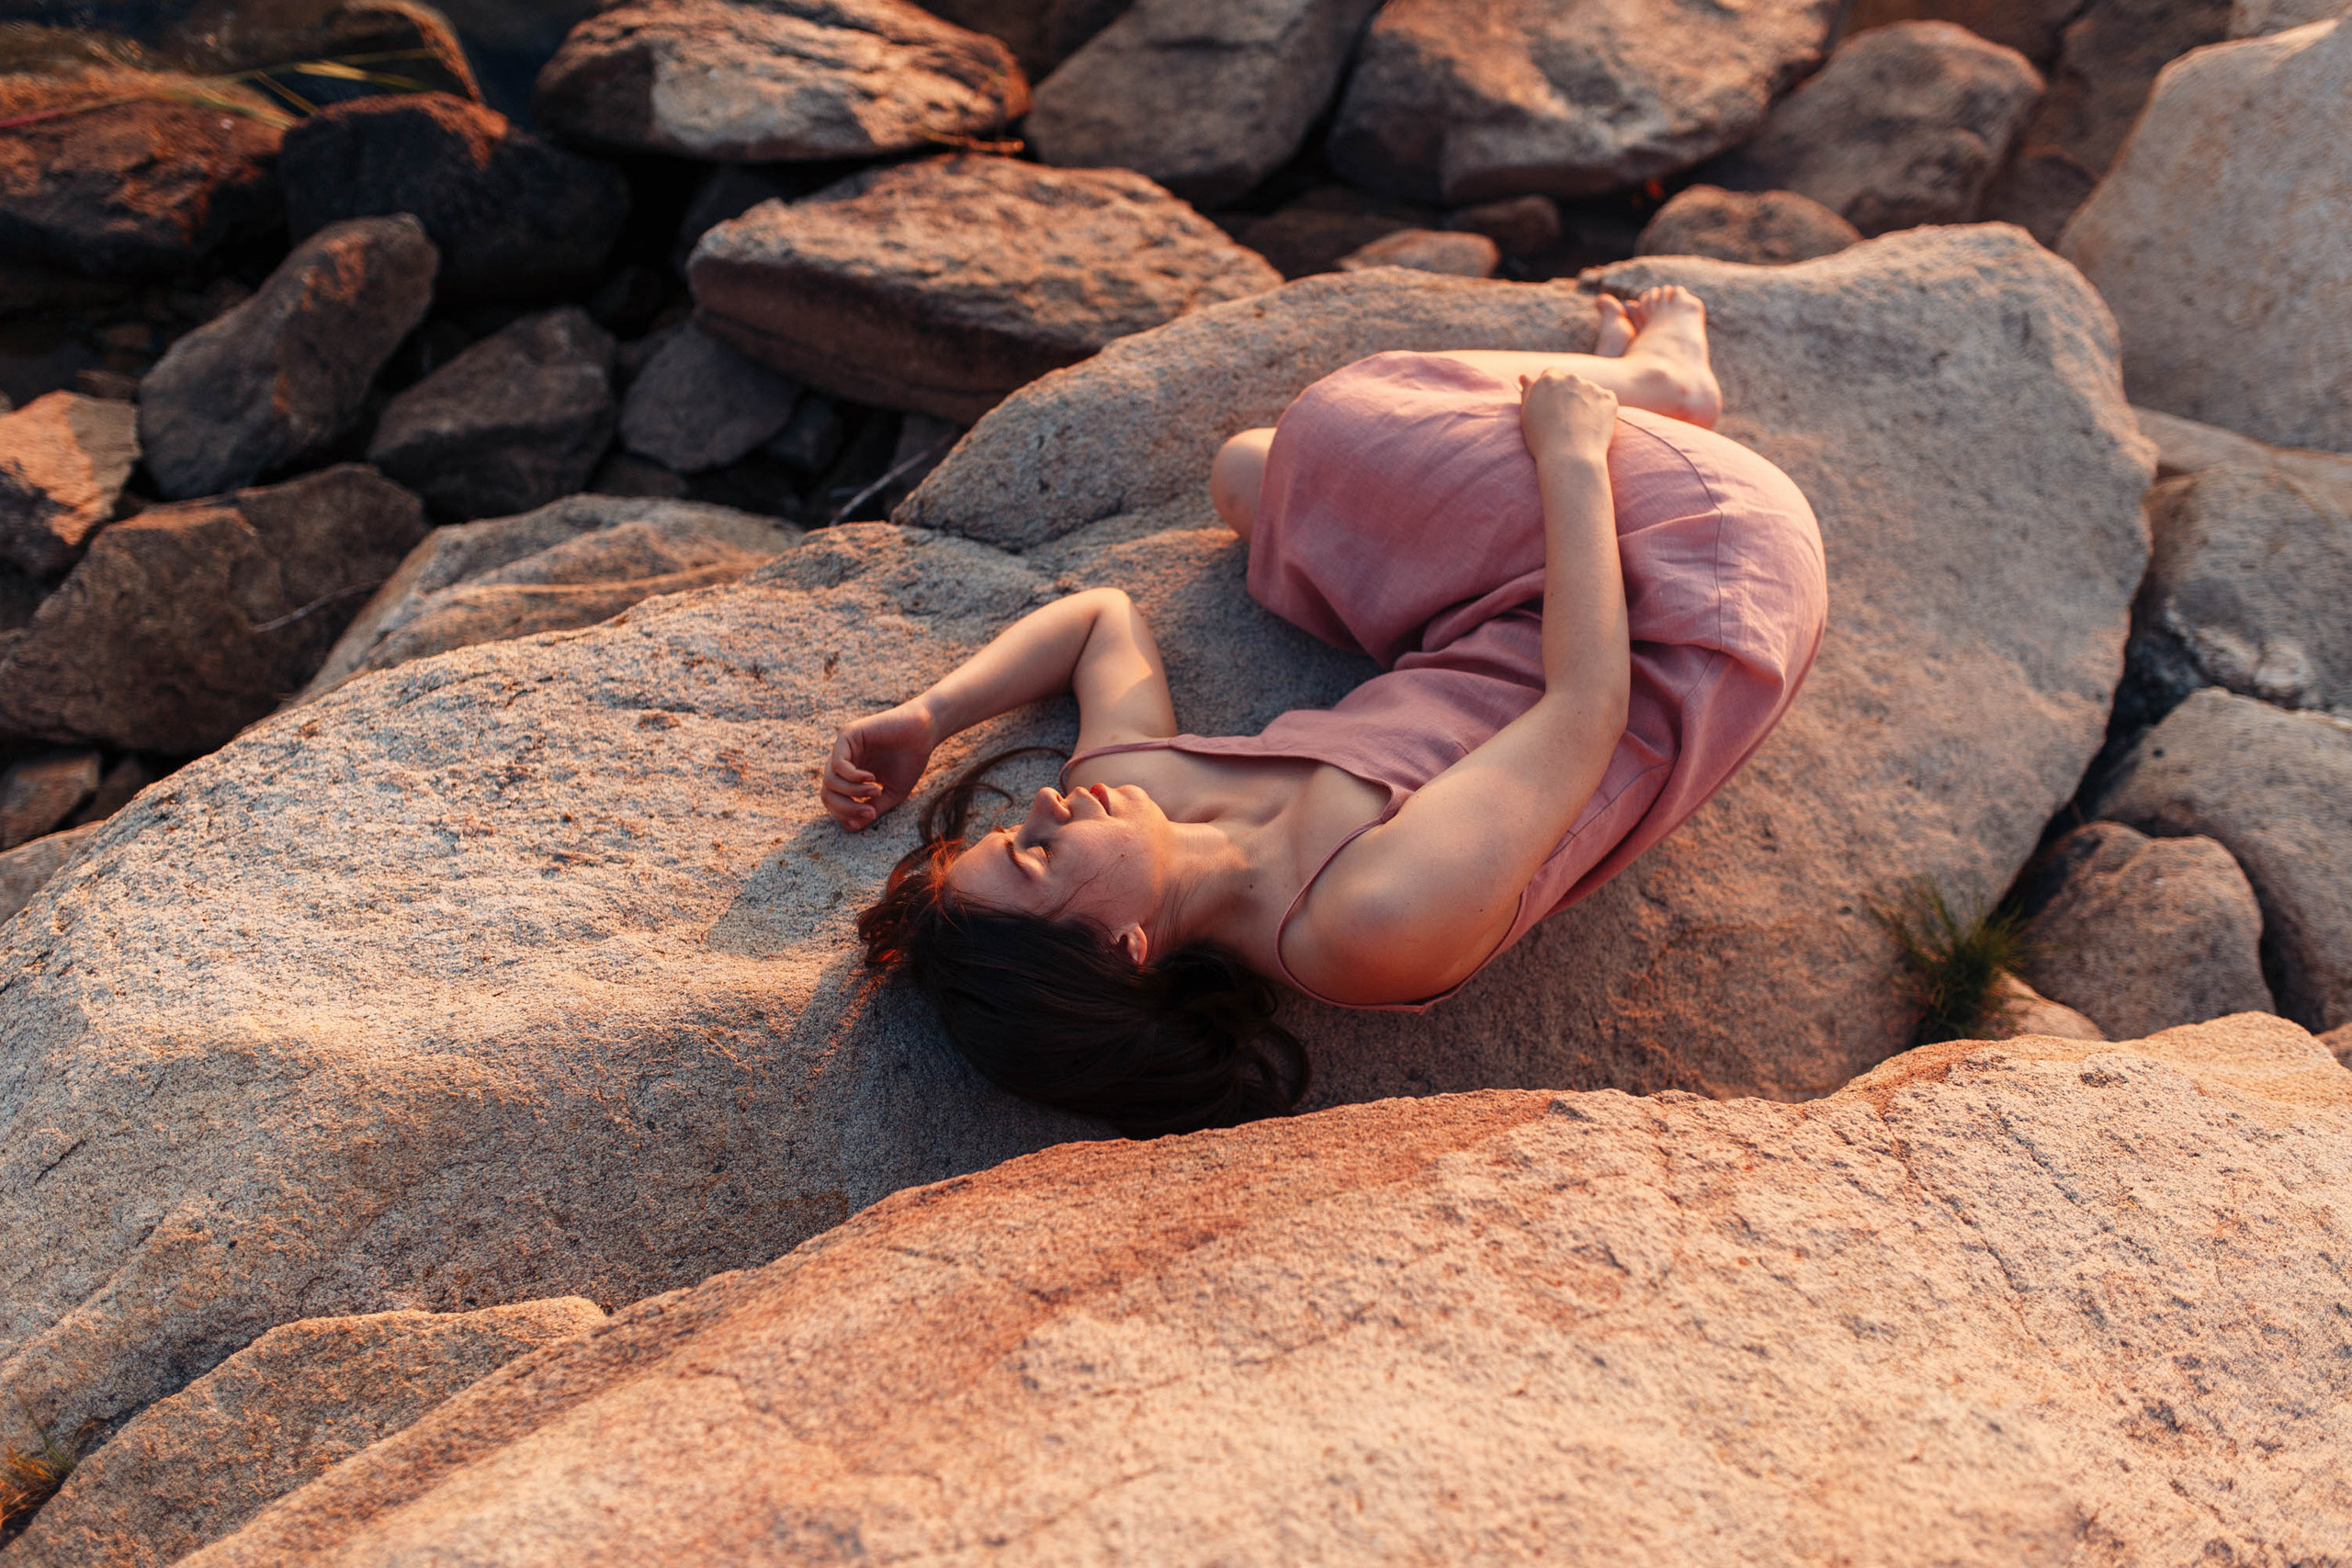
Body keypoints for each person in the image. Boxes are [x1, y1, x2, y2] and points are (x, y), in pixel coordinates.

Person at [822, 287, 1826, 1137]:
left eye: (1012, 832)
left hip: (1510, 613)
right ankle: (1658, 388)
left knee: (1250, 476)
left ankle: (1638, 401)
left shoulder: (1137, 795)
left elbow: (1100, 623)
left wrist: (930, 715)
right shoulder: (1364, 924)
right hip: (1694, 590)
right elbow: (1587, 708)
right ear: (1125, 946)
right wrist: (1571, 450)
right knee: (1337, 421)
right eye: (1039, 855)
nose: (1044, 805)